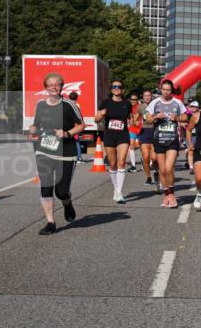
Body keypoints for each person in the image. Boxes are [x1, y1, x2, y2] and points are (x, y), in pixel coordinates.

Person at [29, 73, 85, 234]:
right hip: (44, 150)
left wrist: (67, 133)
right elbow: (37, 124)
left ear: (62, 87)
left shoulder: (68, 105)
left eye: (58, 84)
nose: (54, 87)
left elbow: (81, 125)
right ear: (45, 87)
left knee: (61, 191)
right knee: (45, 187)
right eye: (51, 84)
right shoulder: (40, 104)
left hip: (65, 152)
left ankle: (67, 203)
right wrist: (33, 129)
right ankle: (50, 222)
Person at [145, 80, 187, 208]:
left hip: (172, 140)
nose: (166, 92)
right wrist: (156, 117)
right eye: (164, 89)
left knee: (169, 169)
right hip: (159, 139)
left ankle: (172, 194)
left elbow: (186, 117)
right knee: (162, 171)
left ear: (171, 90)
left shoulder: (177, 102)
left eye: (168, 90)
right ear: (160, 89)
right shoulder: (155, 102)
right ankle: (166, 195)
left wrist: (178, 118)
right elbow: (148, 119)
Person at [95, 79, 133, 204]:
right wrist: (101, 114)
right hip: (109, 135)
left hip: (123, 135)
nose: (117, 88)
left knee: (122, 162)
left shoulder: (127, 103)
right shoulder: (105, 102)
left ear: (123, 89)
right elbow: (96, 119)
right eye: (114, 86)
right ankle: (115, 189)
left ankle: (119, 192)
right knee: (112, 164)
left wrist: (133, 122)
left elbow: (130, 118)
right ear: (111, 89)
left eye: (119, 87)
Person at [138, 89, 158, 191]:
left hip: (154, 131)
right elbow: (135, 118)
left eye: (149, 96)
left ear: (151, 97)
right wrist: (135, 122)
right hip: (144, 132)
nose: (147, 97)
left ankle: (156, 172)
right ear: (143, 97)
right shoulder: (141, 107)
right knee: (146, 157)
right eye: (145, 96)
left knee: (154, 158)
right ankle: (148, 177)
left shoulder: (156, 105)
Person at [67, 92, 86, 163]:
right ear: (77, 97)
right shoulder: (76, 105)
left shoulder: (67, 104)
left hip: (69, 125)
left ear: (69, 97)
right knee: (77, 142)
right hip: (76, 125)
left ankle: (74, 157)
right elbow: (79, 116)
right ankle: (79, 157)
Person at [127, 93, 142, 173]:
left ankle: (144, 161)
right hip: (132, 129)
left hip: (140, 129)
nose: (133, 101)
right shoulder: (128, 107)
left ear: (137, 100)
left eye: (135, 99)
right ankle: (133, 166)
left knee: (143, 147)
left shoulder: (140, 107)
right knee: (131, 145)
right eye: (132, 99)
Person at [184, 99, 200, 171]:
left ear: (197, 108)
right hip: (189, 135)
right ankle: (191, 167)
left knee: (197, 151)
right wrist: (185, 125)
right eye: (191, 106)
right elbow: (181, 123)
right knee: (191, 150)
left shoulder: (200, 115)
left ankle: (197, 164)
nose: (192, 108)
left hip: (198, 135)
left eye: (194, 106)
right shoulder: (187, 115)